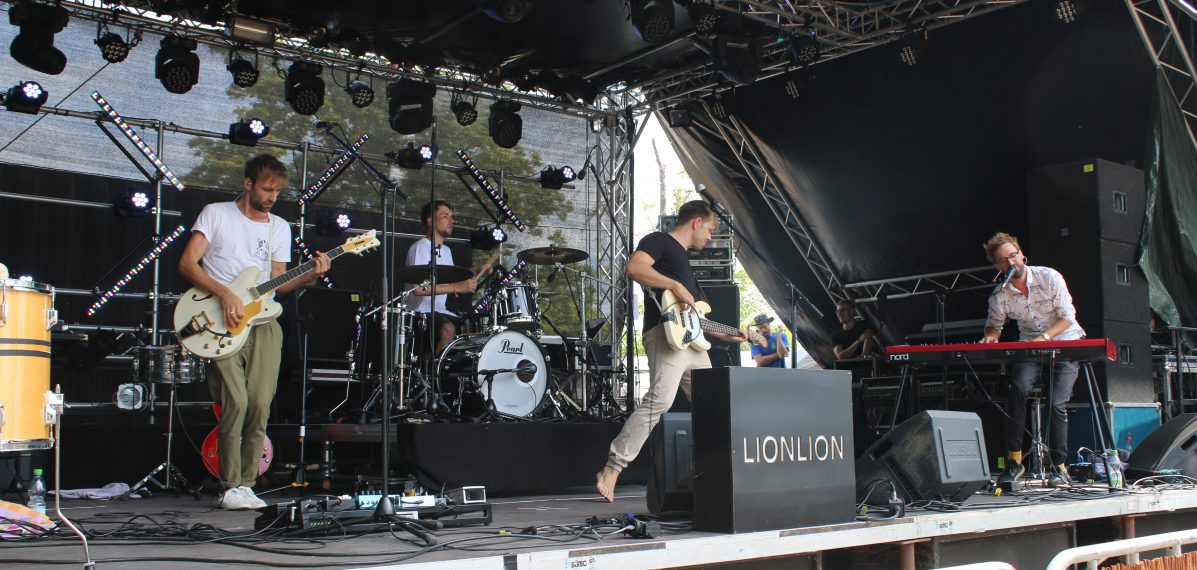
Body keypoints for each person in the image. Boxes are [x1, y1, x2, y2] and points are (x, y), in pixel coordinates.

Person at [179, 154, 331, 510]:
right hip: (220, 320)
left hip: (263, 322)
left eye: (277, 191)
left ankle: (247, 485)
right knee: (236, 400)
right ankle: (230, 484)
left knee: (261, 402)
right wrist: (225, 293)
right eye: (266, 188)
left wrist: (310, 273)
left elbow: (279, 284)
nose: (271, 196)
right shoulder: (215, 213)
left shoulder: (278, 226)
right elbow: (187, 263)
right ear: (248, 183)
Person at [596, 200, 748, 502]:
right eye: (710, 230)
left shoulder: (684, 262)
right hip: (664, 338)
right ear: (696, 222)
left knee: (713, 404)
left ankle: (720, 472)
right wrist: (676, 286)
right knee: (659, 402)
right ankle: (613, 467)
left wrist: (729, 334)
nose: (709, 238)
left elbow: (694, 320)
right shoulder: (659, 241)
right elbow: (635, 268)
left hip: (690, 344)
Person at [981, 232, 1084, 488]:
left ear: (1021, 254)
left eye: (1013, 255)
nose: (1011, 262)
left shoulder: (1049, 276)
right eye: (1004, 260)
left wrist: (1045, 337)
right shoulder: (999, 294)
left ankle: (1059, 466)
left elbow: (1068, 316)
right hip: (1030, 347)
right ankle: (1015, 461)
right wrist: (991, 337)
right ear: (997, 266)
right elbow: (993, 326)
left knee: (1056, 402)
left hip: (1065, 342)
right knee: (1017, 390)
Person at [404, 200, 495, 355]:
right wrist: (457, 288)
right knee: (449, 329)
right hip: (422, 313)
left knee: (478, 332)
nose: (451, 221)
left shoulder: (446, 250)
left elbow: (451, 278)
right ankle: (437, 375)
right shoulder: (421, 247)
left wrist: (476, 270)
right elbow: (418, 289)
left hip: (441, 311)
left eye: (451, 217)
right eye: (445, 216)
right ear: (430, 220)